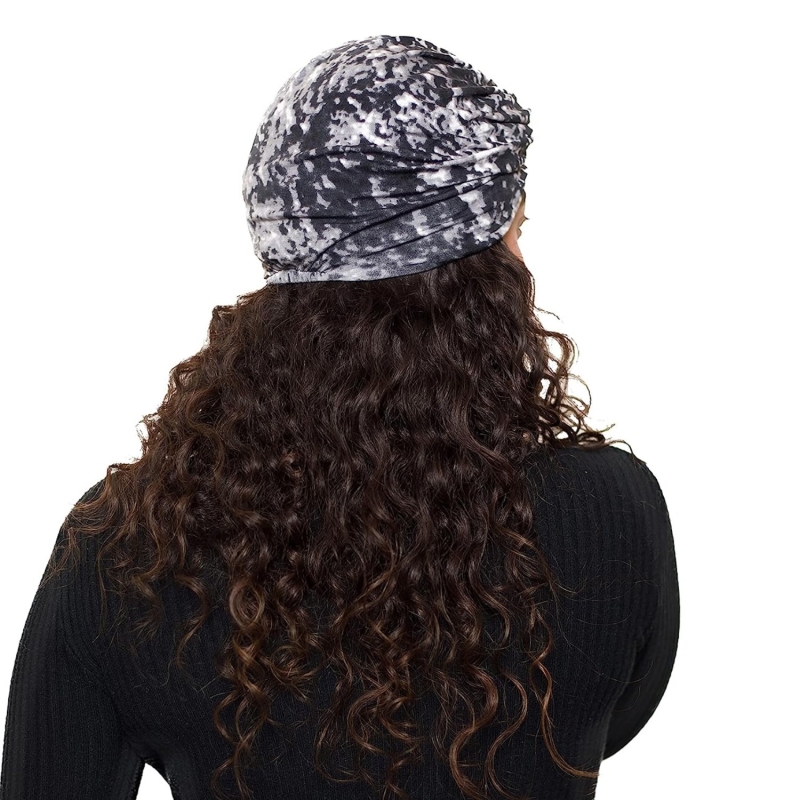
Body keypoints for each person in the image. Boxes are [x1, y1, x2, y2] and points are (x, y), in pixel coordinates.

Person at [0, 34, 679, 800]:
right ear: (481, 282)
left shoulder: (130, 548)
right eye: (516, 231)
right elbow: (602, 721)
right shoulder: (612, 513)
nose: (524, 264)